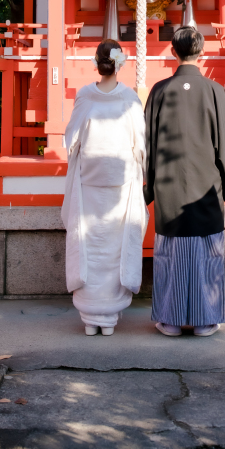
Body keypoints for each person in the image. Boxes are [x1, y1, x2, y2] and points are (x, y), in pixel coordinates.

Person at [144, 25, 225, 337]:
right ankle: (205, 320)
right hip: (206, 188)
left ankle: (171, 320)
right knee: (208, 253)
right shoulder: (215, 91)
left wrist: (147, 186)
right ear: (201, 53)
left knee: (170, 255)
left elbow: (147, 144)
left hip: (168, 187)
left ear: (173, 52)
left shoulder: (160, 91)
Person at [61, 39, 147, 336]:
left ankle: (90, 316)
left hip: (90, 182)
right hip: (120, 184)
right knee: (114, 246)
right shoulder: (129, 98)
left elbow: (70, 139)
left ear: (97, 64)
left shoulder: (85, 95)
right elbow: (141, 144)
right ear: (119, 64)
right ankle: (108, 318)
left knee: (89, 243)